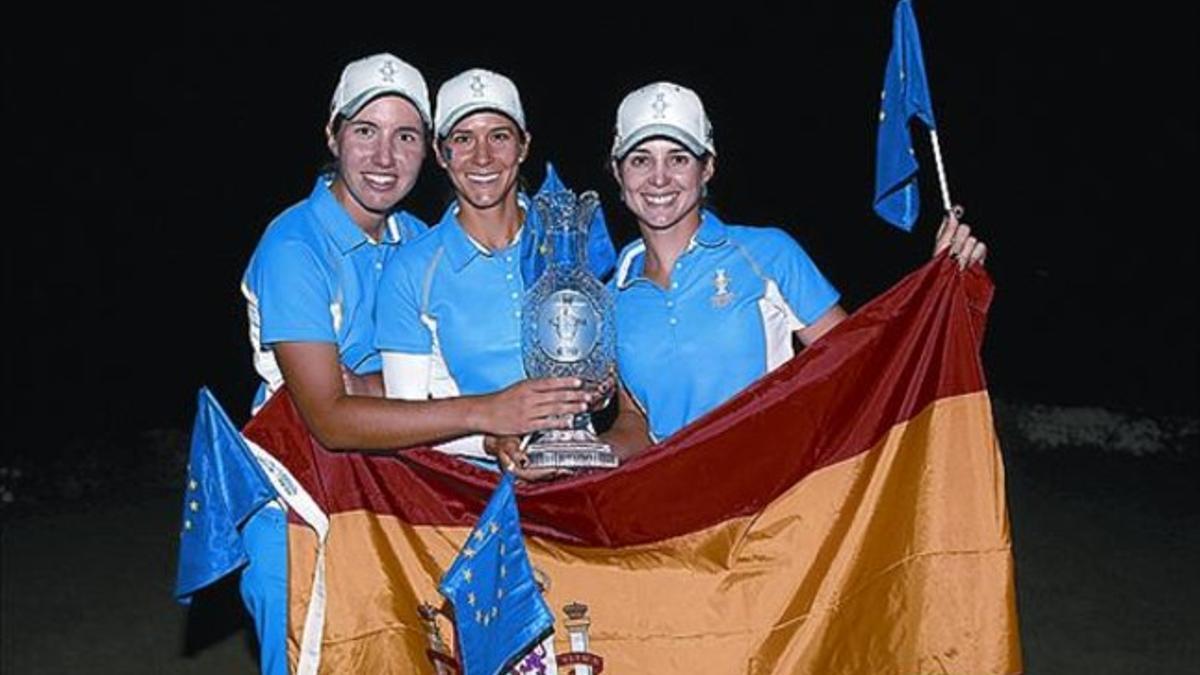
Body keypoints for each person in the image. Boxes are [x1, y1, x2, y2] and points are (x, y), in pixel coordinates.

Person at [206, 55, 589, 675]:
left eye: (404, 136)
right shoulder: (294, 245)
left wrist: (393, 392)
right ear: (333, 136)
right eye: (366, 132)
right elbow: (329, 418)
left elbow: (416, 387)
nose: (385, 157)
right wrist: (485, 409)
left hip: (388, 495)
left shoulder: (415, 240)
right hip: (299, 502)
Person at [599, 81, 986, 456]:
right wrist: (597, 450)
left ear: (707, 169)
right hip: (672, 509)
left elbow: (862, 363)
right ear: (619, 173)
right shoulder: (612, 294)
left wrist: (934, 291)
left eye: (679, 158)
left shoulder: (767, 254)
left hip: (774, 506)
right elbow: (636, 420)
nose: (660, 177)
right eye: (640, 159)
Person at [376, 68, 615, 476]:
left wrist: (599, 390)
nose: (482, 157)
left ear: (523, 147)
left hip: (581, 478)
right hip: (472, 492)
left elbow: (600, 366)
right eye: (463, 139)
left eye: (499, 137)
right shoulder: (412, 268)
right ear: (440, 153)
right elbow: (408, 416)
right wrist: (492, 440)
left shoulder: (570, 238)